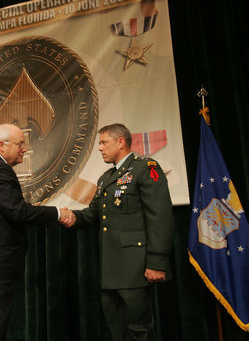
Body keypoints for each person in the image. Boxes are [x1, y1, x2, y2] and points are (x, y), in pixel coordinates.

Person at [0, 123, 74, 341]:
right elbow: (18, 212)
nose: (25, 149)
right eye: (20, 144)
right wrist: (59, 213)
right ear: (2, 145)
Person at [64, 123, 174, 341]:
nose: (100, 148)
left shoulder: (145, 168)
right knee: (117, 330)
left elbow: (160, 217)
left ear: (121, 142)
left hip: (136, 267)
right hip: (110, 270)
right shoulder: (106, 178)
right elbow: (94, 214)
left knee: (139, 331)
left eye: (104, 142)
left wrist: (157, 262)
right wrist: (70, 217)